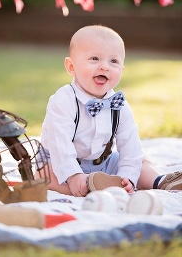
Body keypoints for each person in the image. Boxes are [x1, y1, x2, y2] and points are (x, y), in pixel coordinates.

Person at [36, 25, 181, 197]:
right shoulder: (63, 100)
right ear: (71, 67)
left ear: (122, 70)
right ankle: (86, 189)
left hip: (102, 163)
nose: (105, 67)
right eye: (94, 59)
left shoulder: (119, 105)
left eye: (114, 61)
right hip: (58, 161)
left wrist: (128, 177)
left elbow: (130, 146)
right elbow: (61, 145)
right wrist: (74, 176)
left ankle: (159, 181)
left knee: (140, 160)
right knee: (43, 176)